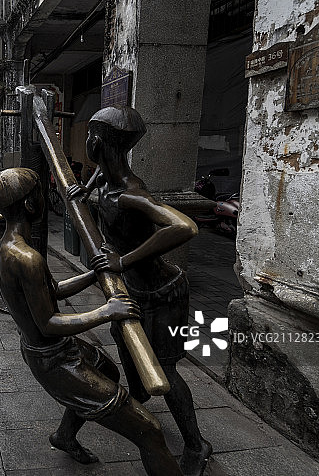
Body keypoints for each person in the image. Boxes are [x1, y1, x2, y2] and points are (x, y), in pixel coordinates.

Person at [0, 168, 183, 476]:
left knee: (107, 370)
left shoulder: (8, 246)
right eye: (40, 194)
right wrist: (107, 311)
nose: (44, 199)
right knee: (150, 431)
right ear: (29, 204)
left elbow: (53, 291)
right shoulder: (27, 258)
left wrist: (93, 273)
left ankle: (64, 436)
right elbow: (48, 323)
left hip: (51, 348)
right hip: (52, 359)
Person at [67, 106, 212, 476]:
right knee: (130, 356)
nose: (87, 141)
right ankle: (140, 402)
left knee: (165, 371)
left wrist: (123, 260)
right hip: (129, 290)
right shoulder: (106, 179)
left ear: (100, 144)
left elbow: (184, 227)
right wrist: (87, 187)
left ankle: (196, 445)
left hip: (162, 292)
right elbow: (104, 172)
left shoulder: (132, 194)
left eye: (92, 135)